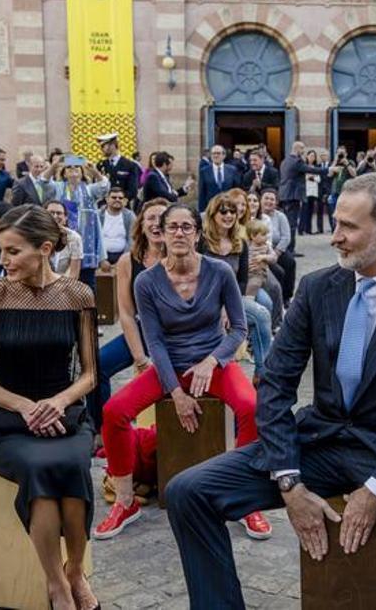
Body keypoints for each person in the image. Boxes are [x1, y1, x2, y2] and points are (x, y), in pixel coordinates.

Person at [165, 173, 376, 609]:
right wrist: (289, 482)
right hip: (322, 440)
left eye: (348, 227)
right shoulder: (317, 289)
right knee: (187, 492)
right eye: (335, 223)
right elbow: (275, 386)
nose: (334, 237)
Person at [96, 203, 271, 541]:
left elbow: (238, 329)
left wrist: (212, 361)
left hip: (215, 363)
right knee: (113, 411)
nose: (178, 233)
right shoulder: (147, 281)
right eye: (171, 227)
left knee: (252, 407)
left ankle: (248, 501)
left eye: (186, 227)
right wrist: (175, 392)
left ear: (197, 232)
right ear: (161, 233)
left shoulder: (219, 271)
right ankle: (125, 500)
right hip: (169, 366)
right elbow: (155, 342)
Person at [0, 205, 100, 610]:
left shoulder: (77, 295)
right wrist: (26, 407)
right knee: (40, 472)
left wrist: (58, 403)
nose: (3, 261)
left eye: (13, 251)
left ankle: (75, 571)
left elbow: (91, 373)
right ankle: (56, 583)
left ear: (44, 249)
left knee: (73, 467)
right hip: (8, 419)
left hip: (66, 414)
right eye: (1, 251)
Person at [96, 198, 169, 440]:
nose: (156, 223)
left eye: (162, 218)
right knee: (97, 365)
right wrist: (140, 358)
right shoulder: (129, 260)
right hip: (142, 329)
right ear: (142, 224)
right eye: (151, 218)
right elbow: (126, 313)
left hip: (176, 331)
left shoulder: (181, 254)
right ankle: (99, 429)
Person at [199, 194, 275, 372]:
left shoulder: (240, 243)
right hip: (205, 298)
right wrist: (219, 306)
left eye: (232, 211)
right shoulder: (202, 242)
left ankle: (262, 372)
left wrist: (229, 305)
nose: (228, 216)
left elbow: (242, 280)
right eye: (223, 211)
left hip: (232, 297)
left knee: (262, 314)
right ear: (213, 214)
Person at [52, 156, 110, 292]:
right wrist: (54, 165)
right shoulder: (59, 188)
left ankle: (88, 313)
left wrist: (94, 171)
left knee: (87, 288)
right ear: (64, 173)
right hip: (64, 244)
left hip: (86, 248)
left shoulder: (89, 190)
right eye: (69, 167)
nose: (73, 169)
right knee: (64, 286)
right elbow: (43, 183)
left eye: (76, 167)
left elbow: (104, 187)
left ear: (82, 172)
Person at [260, 188, 296, 306]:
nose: (269, 202)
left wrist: (276, 252)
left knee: (290, 262)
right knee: (278, 271)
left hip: (277, 249)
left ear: (276, 203)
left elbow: (286, 237)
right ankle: (276, 297)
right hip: (262, 250)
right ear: (261, 200)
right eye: (266, 198)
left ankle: (286, 296)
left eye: (272, 199)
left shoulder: (280, 216)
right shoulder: (256, 215)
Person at [97, 132, 143, 207]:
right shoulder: (101, 165)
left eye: (103, 146)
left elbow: (132, 190)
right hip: (104, 206)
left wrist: (118, 200)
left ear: (112, 145)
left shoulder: (130, 165)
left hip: (121, 206)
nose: (102, 149)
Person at [45, 200, 83, 279]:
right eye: (51, 213)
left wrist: (59, 287)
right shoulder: (35, 236)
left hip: (65, 285)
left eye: (59, 213)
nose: (55, 216)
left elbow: (74, 274)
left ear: (65, 218)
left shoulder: (74, 238)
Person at [98, 186, 135, 266]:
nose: (117, 200)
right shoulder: (98, 215)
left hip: (123, 255)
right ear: (107, 199)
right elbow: (93, 239)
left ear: (125, 201)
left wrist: (123, 260)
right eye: (114, 197)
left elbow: (132, 239)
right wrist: (101, 259)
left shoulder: (130, 216)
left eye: (120, 198)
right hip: (101, 257)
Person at [199, 145, 241, 212]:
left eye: (218, 153)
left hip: (229, 208)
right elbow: (202, 193)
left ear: (224, 155)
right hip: (211, 208)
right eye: (213, 153)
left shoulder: (232, 170)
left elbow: (236, 190)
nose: (216, 156)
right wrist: (201, 212)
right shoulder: (204, 171)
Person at [299, 149, 327, 235]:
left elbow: (318, 179)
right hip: (306, 191)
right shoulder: (303, 166)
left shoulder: (316, 167)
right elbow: (303, 178)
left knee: (311, 211)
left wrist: (311, 177)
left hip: (313, 192)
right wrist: (310, 177)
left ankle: (308, 229)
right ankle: (301, 229)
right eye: (310, 156)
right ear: (307, 156)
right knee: (304, 211)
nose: (312, 158)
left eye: (313, 156)